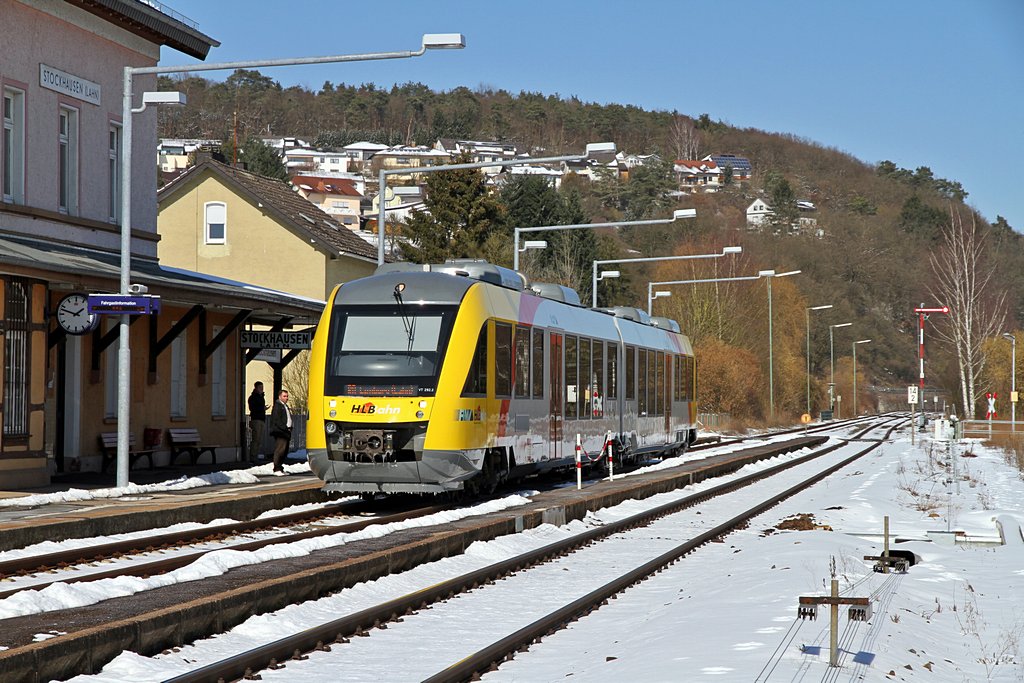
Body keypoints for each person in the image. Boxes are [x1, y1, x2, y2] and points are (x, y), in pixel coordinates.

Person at [268, 388, 292, 473]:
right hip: (280, 431)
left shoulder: (285, 406)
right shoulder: (278, 406)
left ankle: (280, 467)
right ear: (280, 397)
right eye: (284, 396)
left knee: (285, 451)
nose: (286, 398)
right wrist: (285, 428)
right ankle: (276, 468)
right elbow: (277, 420)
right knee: (280, 450)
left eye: (287, 396)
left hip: (286, 431)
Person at [247, 381, 268, 462]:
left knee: (259, 439)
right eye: (260, 388)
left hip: (262, 419)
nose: (262, 389)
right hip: (256, 419)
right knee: (256, 439)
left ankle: (255, 455)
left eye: (262, 388)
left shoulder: (261, 397)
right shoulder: (253, 397)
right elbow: (252, 408)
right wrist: (262, 408)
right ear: (256, 388)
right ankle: (253, 457)